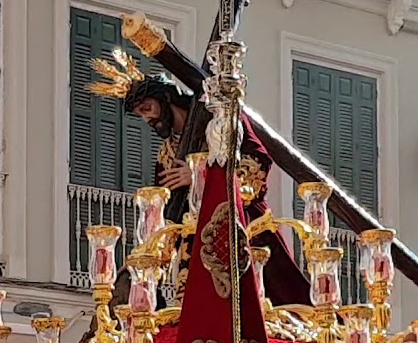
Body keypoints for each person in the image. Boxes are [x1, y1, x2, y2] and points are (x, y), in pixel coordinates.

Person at [88, 50, 312, 308]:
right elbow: (164, 210)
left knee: (269, 298)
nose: (147, 119)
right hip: (195, 242)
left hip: (239, 226)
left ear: (166, 98)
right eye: (141, 114)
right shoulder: (168, 154)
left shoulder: (219, 120)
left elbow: (256, 163)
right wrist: (148, 255)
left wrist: (199, 175)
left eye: (147, 109)